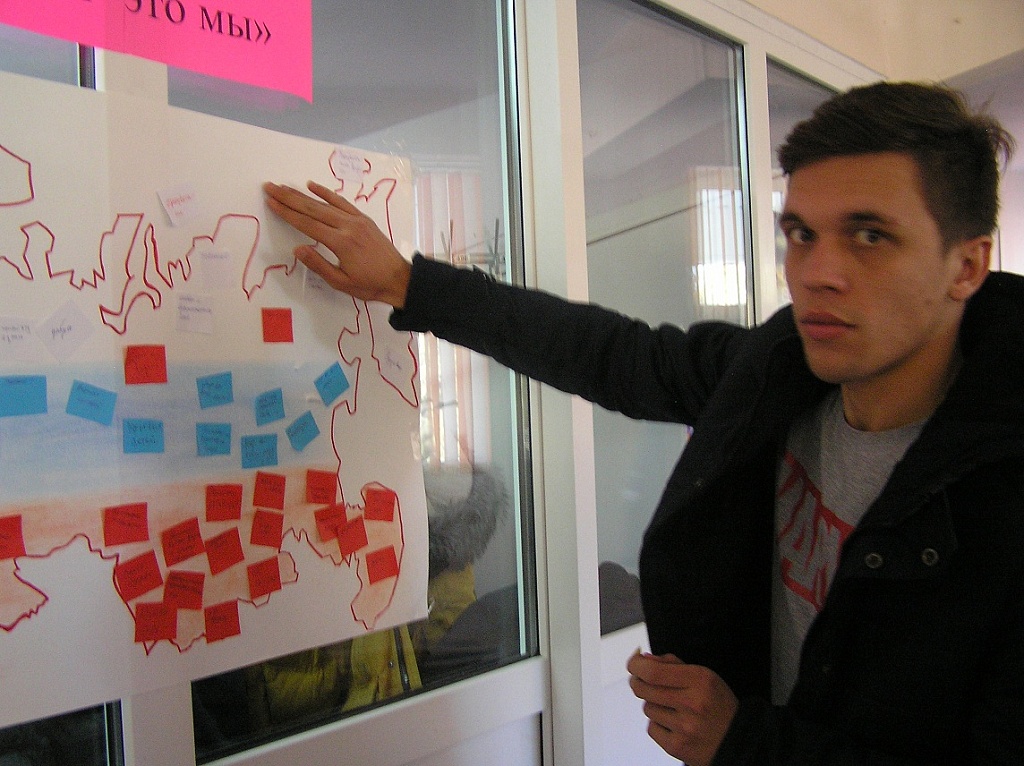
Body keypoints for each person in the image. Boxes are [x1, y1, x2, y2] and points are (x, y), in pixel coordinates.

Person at [262, 80, 1023, 765]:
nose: (818, 273)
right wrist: (407, 282)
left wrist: (742, 740)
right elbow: (614, 355)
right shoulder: (778, 372)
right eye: (800, 234)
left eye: (870, 236)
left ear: (967, 265)